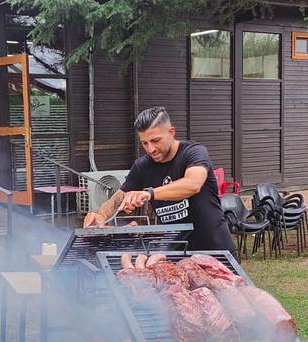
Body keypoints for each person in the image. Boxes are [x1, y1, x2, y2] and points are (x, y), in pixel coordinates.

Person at [83, 106, 236, 257]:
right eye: (145, 143)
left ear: (171, 132)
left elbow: (193, 184)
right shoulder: (142, 166)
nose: (150, 149)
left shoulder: (193, 152)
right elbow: (117, 198)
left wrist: (149, 193)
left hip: (215, 251)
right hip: (176, 255)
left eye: (155, 141)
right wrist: (100, 216)